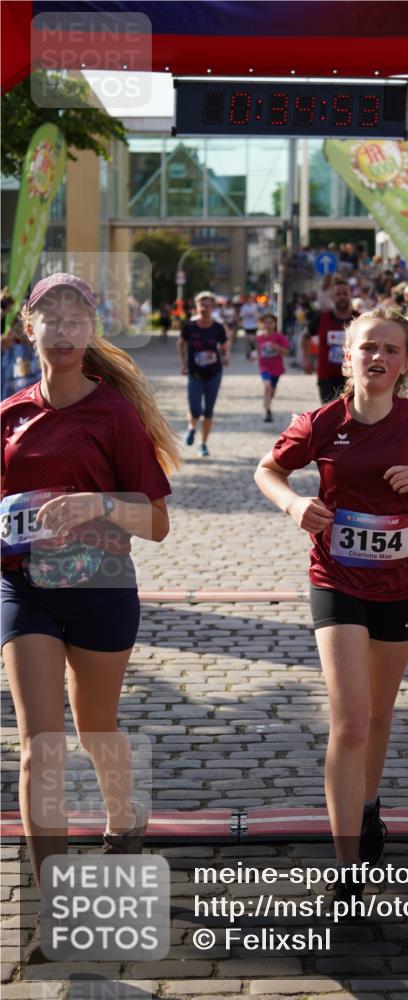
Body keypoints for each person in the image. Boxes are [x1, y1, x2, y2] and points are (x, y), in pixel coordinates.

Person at [255, 305, 408, 902]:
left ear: (404, 363)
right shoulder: (323, 421)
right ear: (347, 357)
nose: (377, 357)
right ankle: (347, 865)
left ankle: (367, 804)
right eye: (366, 348)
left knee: (377, 715)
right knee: (350, 721)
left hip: (402, 583)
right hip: (336, 577)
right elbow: (267, 470)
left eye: (390, 350)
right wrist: (295, 506)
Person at [1, 272, 179, 882]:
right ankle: (53, 895)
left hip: (102, 589)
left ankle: (122, 814)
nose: (64, 328)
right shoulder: (8, 417)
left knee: (95, 726)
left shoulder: (114, 415)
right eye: (51, 316)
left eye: (76, 318)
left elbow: (156, 523)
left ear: (90, 332)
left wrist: (96, 504)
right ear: (30, 329)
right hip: (26, 590)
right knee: (38, 749)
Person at [178, 290, 230, 457]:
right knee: (195, 409)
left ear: (213, 307)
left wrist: (226, 356)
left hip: (214, 372)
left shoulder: (217, 328)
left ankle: (203, 444)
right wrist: (184, 363)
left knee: (208, 411)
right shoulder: (189, 327)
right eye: (202, 305)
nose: (205, 308)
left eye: (208, 305)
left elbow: (225, 344)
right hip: (195, 372)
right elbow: (181, 343)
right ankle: (192, 427)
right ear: (197, 306)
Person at [301, 279, 357, 403]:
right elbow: (305, 337)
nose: (342, 297)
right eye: (338, 294)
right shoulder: (321, 318)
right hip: (327, 377)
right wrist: (305, 360)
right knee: (329, 416)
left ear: (350, 296)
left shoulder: (360, 319)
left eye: (345, 294)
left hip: (353, 377)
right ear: (332, 297)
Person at [256, 313, 289, 423]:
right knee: (267, 386)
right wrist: (254, 356)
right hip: (264, 366)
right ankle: (267, 411)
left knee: (272, 390)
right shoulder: (259, 337)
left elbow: (286, 351)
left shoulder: (279, 337)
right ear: (263, 324)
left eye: (271, 322)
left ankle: (267, 403)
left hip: (276, 368)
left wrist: (277, 347)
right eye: (266, 322)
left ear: (275, 324)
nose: (268, 325)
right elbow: (258, 351)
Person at [239, 294, 260, 360]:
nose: (250, 300)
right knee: (248, 339)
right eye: (249, 299)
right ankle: (249, 352)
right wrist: (247, 314)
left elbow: (258, 314)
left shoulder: (255, 306)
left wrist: (255, 315)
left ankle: (253, 351)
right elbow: (241, 315)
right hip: (247, 325)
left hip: (254, 325)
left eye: (251, 299)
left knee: (253, 339)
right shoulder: (244, 306)